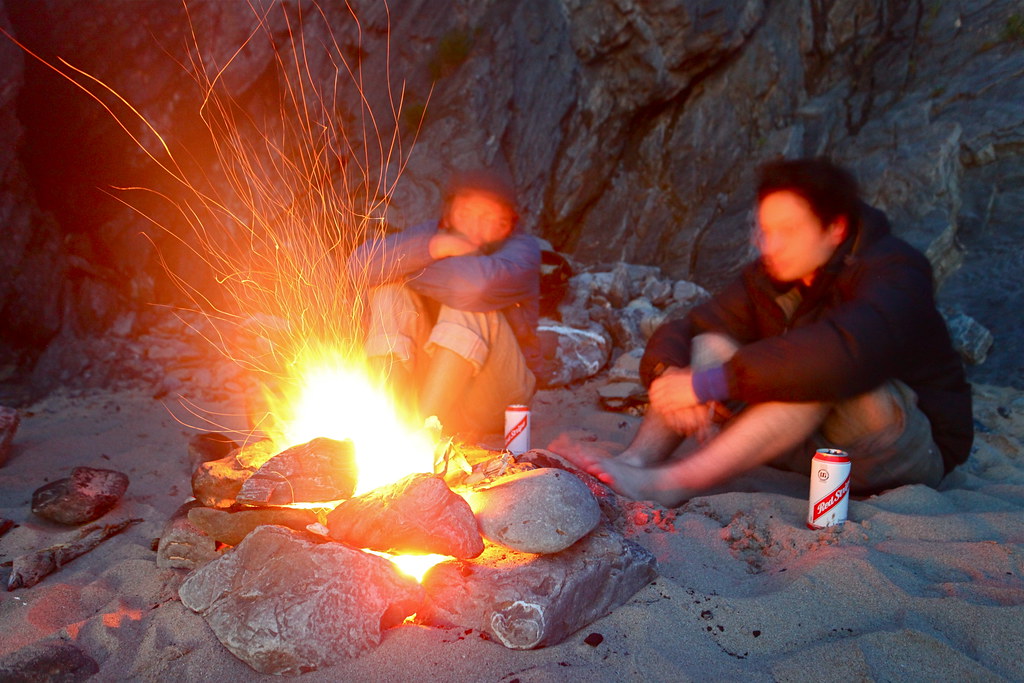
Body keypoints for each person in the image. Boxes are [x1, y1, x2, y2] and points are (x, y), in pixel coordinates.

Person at [558, 157, 973, 506]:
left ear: (836, 229)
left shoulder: (895, 269)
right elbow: (694, 325)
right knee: (709, 343)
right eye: (765, 230)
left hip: (905, 450)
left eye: (788, 232)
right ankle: (637, 461)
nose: (770, 246)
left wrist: (709, 383)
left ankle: (671, 485)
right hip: (809, 446)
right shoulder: (772, 276)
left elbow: (846, 352)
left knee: (816, 372)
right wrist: (670, 373)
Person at [347, 167, 541, 437]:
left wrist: (404, 264)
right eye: (465, 213)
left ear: (507, 222)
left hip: (495, 400)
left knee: (469, 306)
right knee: (388, 291)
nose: (473, 225)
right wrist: (434, 247)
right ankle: (385, 425)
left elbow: (474, 287)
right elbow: (359, 265)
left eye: (486, 217)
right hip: (432, 391)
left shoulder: (524, 250)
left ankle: (422, 437)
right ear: (448, 214)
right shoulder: (436, 234)